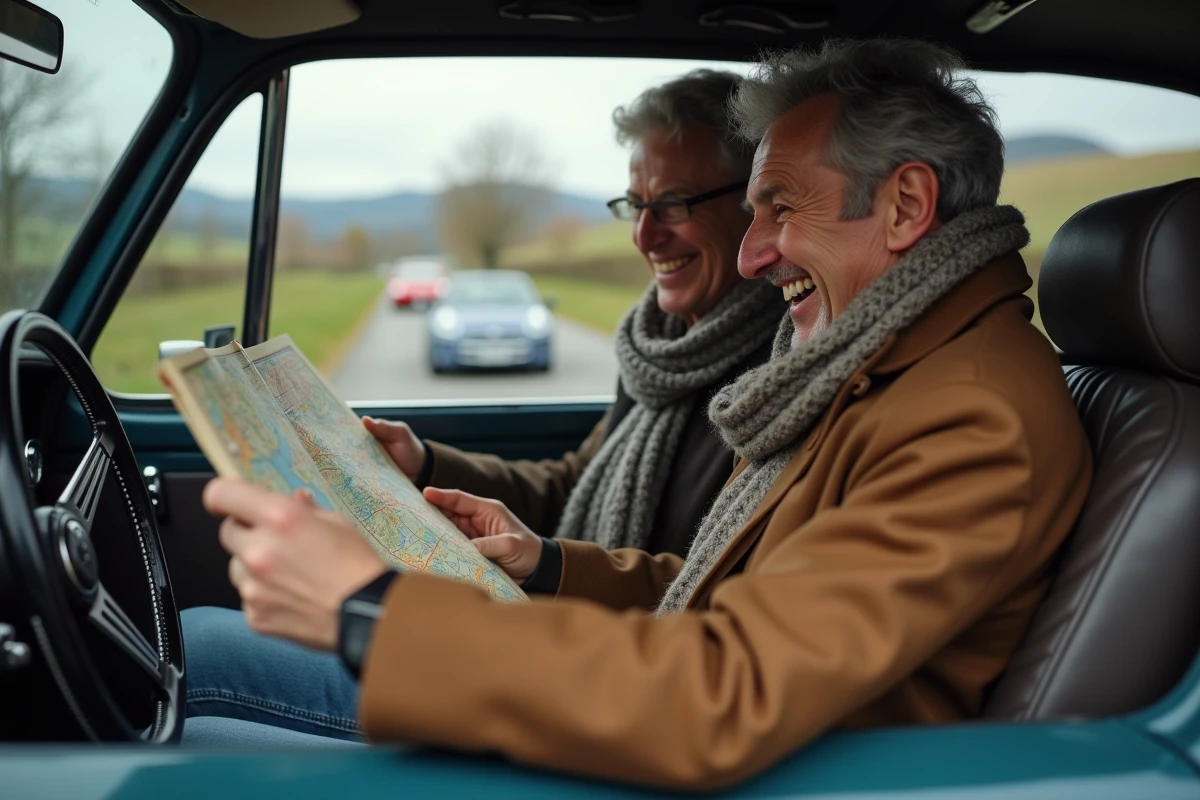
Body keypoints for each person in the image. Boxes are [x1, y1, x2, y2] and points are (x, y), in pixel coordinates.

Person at [199, 38, 1094, 790]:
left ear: (906, 206)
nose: (753, 257)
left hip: (740, 768)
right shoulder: (872, 365)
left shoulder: (972, 415)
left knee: (196, 706)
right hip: (682, 732)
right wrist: (549, 562)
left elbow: (728, 694)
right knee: (198, 686)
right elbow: (720, 592)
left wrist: (372, 608)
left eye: (781, 209)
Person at [182, 69, 783, 739]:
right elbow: (573, 485)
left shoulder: (779, 378)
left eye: (672, 203)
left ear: (755, 201)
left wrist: (548, 564)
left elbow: (716, 592)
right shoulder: (661, 348)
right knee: (196, 637)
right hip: (547, 628)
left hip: (588, 675)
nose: (644, 236)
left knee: (199, 650)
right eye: (633, 205)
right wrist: (425, 466)